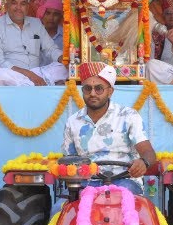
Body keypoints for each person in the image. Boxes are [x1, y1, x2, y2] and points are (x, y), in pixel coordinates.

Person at [62, 61, 157, 194]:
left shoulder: (128, 116)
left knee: (121, 198)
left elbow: (148, 152)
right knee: (63, 205)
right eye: (87, 88)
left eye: (99, 88)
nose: (92, 93)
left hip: (125, 181)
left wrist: (143, 162)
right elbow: (69, 161)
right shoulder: (73, 121)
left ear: (110, 91)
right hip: (86, 182)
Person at [0, 0, 68, 86]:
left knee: (62, 68)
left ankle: (27, 85)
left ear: (27, 7)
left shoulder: (36, 23)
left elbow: (50, 48)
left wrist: (63, 59)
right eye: (14, 3)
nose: (18, 8)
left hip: (37, 72)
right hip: (13, 73)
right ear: (7, 5)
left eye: (23, 4)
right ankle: (33, 84)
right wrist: (29, 74)